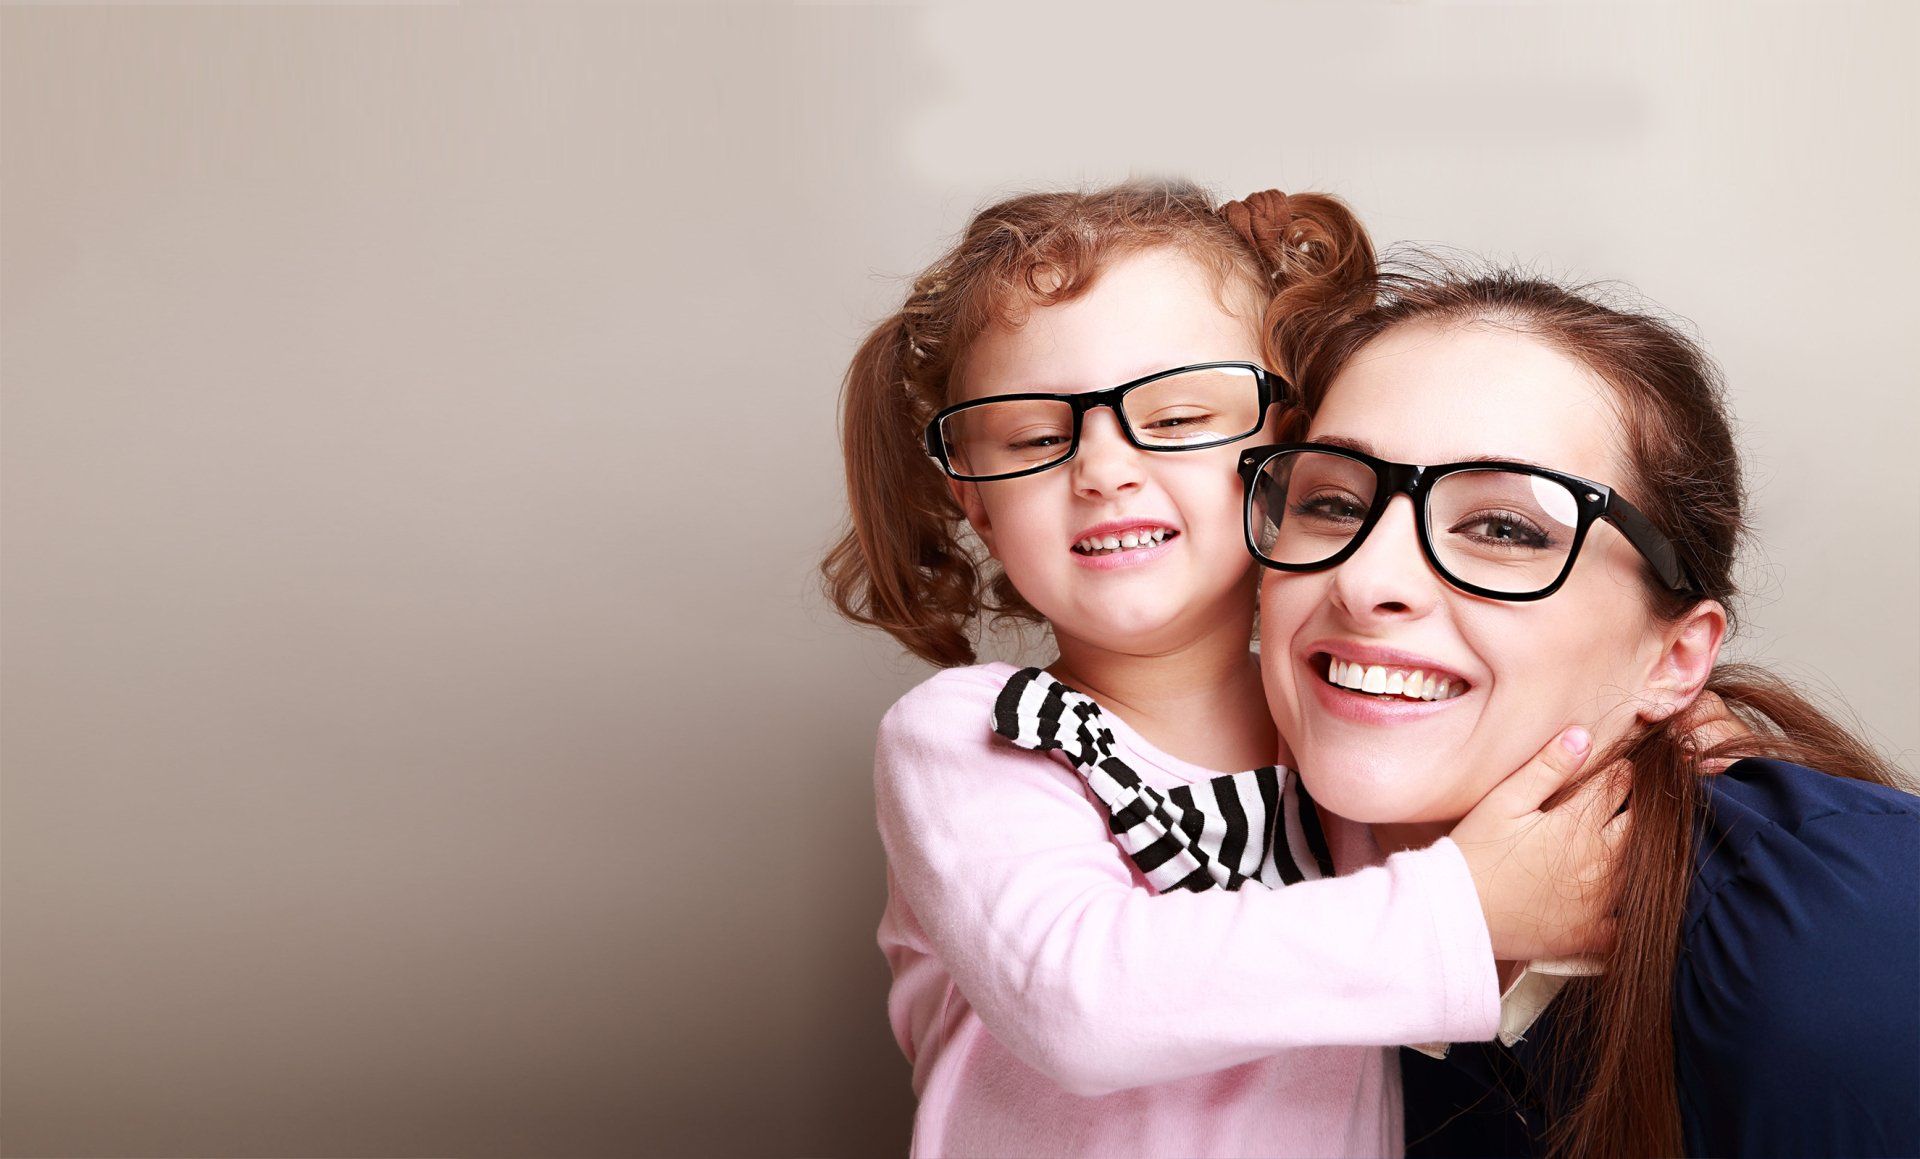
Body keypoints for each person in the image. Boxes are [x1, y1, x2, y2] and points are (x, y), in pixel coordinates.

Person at [822, 183, 1626, 1157]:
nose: (1103, 468)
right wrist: (1464, 905)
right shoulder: (969, 735)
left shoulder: (1347, 725)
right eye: (1036, 437)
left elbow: (1534, 786)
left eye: (1177, 417)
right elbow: (1082, 1004)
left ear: (1282, 460)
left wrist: (1669, 723)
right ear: (977, 503)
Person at [1243, 262, 1920, 1158]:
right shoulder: (1205, 902)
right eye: (1331, 503)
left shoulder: (1839, 946)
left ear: (1676, 658)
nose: (1367, 581)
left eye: (1504, 528)